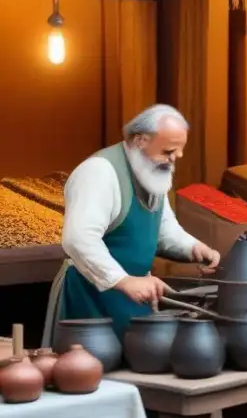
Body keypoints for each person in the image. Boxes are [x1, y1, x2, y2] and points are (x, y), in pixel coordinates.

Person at [49, 105, 221, 340]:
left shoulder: (153, 172)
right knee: (92, 367)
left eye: (178, 153)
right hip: (90, 298)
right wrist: (122, 280)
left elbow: (163, 229)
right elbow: (79, 239)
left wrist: (194, 248)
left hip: (136, 295)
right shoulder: (100, 172)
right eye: (168, 151)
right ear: (140, 140)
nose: (172, 160)